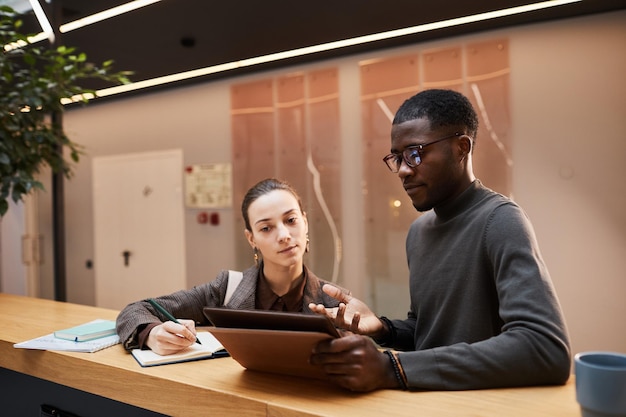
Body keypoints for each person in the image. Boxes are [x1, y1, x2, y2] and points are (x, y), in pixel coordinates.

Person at [309, 89, 571, 392]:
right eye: (397, 157)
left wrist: (391, 368)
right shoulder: (418, 232)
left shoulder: (500, 221)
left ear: (461, 148)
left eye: (415, 153)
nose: (404, 170)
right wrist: (384, 329)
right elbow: (430, 332)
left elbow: (544, 349)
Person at [116, 177, 347, 355]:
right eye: (266, 228)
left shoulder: (333, 303)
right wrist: (152, 333)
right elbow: (135, 310)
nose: (284, 235)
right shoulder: (225, 289)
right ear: (252, 239)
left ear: (305, 222)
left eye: (291, 220)